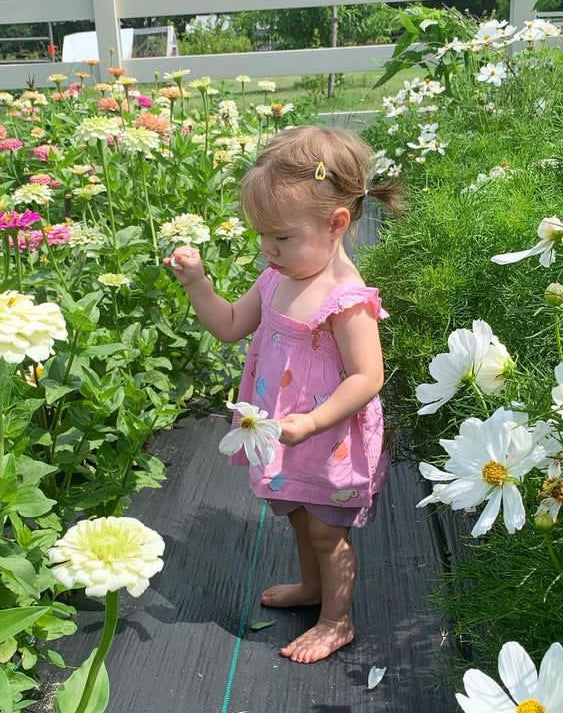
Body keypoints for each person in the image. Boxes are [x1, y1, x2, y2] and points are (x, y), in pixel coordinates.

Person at [164, 125, 404, 664]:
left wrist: (314, 422)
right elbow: (229, 325)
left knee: (328, 535)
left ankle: (336, 620)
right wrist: (198, 284)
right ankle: (311, 587)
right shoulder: (278, 278)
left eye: (281, 237)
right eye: (261, 236)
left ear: (335, 223)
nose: (267, 249)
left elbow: (368, 378)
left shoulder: (346, 300)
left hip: (327, 438)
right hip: (287, 433)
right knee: (298, 515)